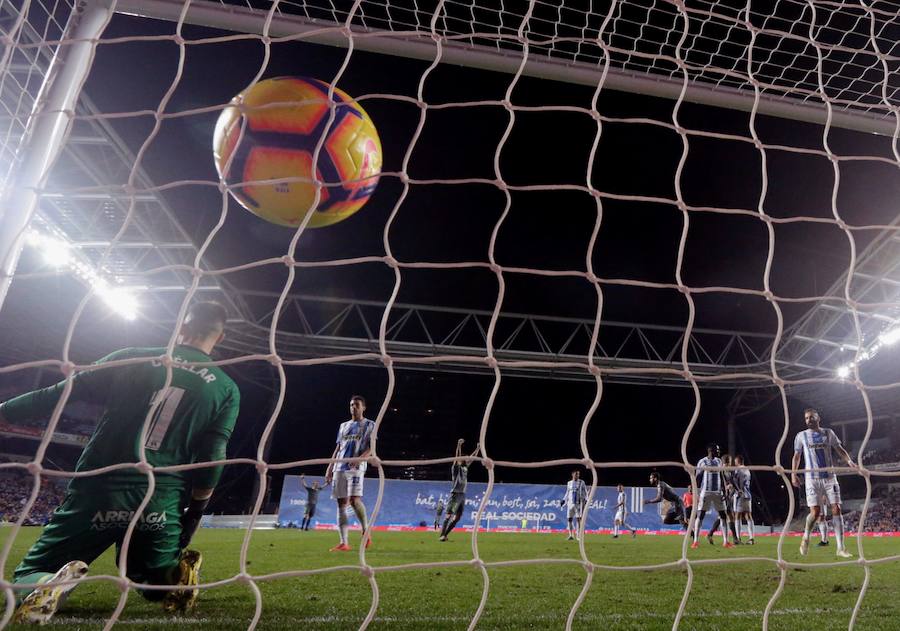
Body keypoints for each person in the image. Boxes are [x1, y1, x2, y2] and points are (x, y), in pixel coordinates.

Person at [1, 301, 239, 623]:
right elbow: (212, 455)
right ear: (221, 337)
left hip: (100, 486)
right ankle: (172, 577)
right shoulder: (226, 388)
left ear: (180, 326)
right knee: (152, 583)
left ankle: (46, 582)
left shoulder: (130, 357)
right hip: (160, 498)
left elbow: (53, 395)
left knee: (28, 575)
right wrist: (195, 513)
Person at [792, 407, 856, 558]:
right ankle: (806, 537)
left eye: (811, 417)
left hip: (829, 477)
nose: (809, 420)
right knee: (816, 513)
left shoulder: (828, 433)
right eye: (807, 418)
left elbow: (839, 449)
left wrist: (850, 462)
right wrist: (793, 475)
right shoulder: (801, 436)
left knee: (837, 508)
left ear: (818, 418)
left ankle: (840, 548)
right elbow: (796, 456)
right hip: (811, 479)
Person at [324, 395, 375, 552]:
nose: (354, 407)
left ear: (363, 407)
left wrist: (360, 459)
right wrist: (330, 467)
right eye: (352, 404)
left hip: (357, 467)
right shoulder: (343, 426)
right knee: (341, 504)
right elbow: (338, 448)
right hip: (340, 467)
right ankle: (344, 542)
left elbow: (372, 448)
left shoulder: (370, 425)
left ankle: (365, 530)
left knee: (354, 500)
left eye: (357, 405)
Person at [692, 443, 733, 549]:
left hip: (718, 492)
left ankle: (726, 541)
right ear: (711, 450)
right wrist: (696, 491)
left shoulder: (719, 461)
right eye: (717, 450)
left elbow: (722, 475)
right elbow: (697, 477)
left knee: (723, 516)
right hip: (706, 492)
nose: (718, 451)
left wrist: (725, 490)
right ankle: (696, 541)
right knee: (700, 515)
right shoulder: (702, 462)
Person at [439, 439, 479, 541]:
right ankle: (442, 535)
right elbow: (457, 456)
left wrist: (477, 448)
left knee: (458, 517)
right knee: (448, 515)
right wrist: (459, 445)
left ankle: (445, 535)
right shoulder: (456, 468)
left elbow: (472, 458)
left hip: (462, 495)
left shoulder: (465, 467)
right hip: (455, 494)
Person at [708, 454, 740, 545]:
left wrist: (737, 489)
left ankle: (711, 534)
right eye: (729, 461)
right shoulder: (720, 471)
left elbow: (732, 482)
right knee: (726, 516)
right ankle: (734, 539)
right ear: (727, 461)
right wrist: (724, 488)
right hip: (721, 496)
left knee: (727, 516)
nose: (731, 463)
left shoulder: (728, 471)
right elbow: (718, 482)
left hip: (727, 496)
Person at [731, 455, 755, 545]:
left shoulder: (737, 470)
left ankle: (738, 538)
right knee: (748, 515)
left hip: (739, 495)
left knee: (737, 515)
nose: (734, 463)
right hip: (748, 494)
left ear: (738, 461)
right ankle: (751, 538)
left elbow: (734, 481)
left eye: (735, 461)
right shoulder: (747, 470)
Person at [562, 469, 588, 541]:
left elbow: (585, 492)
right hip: (570, 504)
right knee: (569, 519)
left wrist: (587, 500)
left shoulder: (581, 482)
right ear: (572, 474)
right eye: (576, 474)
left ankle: (578, 535)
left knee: (578, 520)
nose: (578, 475)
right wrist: (563, 500)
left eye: (578, 474)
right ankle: (571, 535)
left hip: (578, 504)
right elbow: (567, 492)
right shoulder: (569, 483)